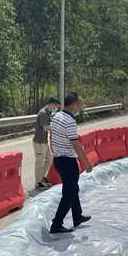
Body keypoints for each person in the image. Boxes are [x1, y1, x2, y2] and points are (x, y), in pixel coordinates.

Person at [49, 92, 93, 234]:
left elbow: (52, 135)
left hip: (59, 159)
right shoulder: (69, 121)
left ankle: (77, 216)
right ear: (74, 104)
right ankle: (56, 224)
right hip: (67, 161)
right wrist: (87, 162)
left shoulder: (56, 116)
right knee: (69, 192)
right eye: (81, 103)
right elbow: (76, 144)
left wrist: (54, 151)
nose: (82, 106)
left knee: (73, 189)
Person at [34, 97, 61, 189]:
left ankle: (41, 177)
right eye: (55, 106)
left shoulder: (48, 113)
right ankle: (38, 182)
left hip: (44, 141)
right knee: (40, 162)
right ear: (51, 104)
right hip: (39, 142)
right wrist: (57, 126)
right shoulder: (43, 113)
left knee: (49, 159)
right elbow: (46, 128)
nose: (55, 108)